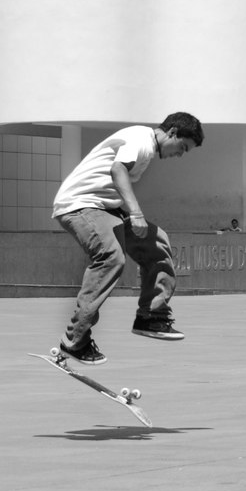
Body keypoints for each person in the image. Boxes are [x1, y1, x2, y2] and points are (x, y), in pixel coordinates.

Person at [52, 112, 204, 364]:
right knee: (111, 258)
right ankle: (75, 338)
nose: (180, 154)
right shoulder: (141, 140)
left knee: (157, 243)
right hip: (80, 205)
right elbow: (118, 169)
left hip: (106, 208)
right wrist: (135, 213)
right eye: (183, 148)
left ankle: (152, 317)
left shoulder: (146, 146)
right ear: (173, 132)